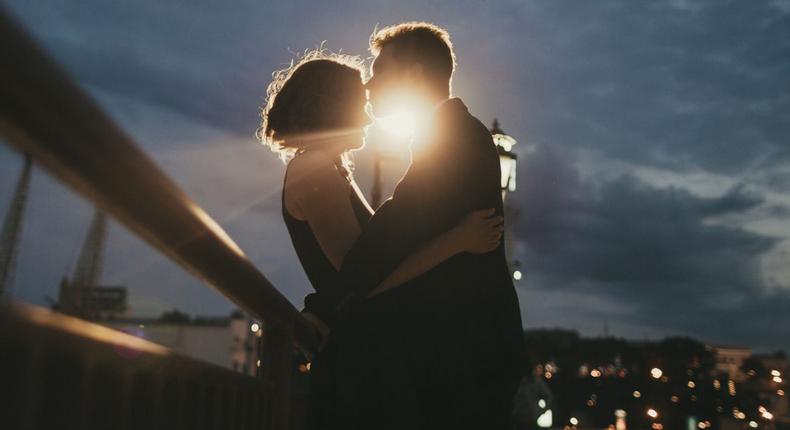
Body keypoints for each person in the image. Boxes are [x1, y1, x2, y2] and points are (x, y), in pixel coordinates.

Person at [258, 51, 504, 429]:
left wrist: (321, 307)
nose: (370, 116)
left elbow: (363, 269)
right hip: (364, 361)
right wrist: (458, 240)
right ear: (334, 107)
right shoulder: (314, 168)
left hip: (370, 353)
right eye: (360, 104)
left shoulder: (329, 167)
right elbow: (364, 279)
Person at [336, 22, 527, 429]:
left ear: (413, 74)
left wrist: (337, 298)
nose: (370, 84)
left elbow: (386, 242)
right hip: (471, 355)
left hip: (464, 360)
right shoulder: (450, 133)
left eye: (380, 70)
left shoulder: (450, 138)